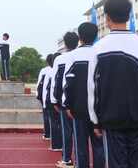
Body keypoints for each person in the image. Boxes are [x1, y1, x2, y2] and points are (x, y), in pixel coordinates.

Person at [89, 0, 138, 168]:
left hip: (111, 118)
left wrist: (95, 120)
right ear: (128, 16)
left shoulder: (98, 47)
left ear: (107, 17)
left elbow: (92, 88)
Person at [63, 22, 104, 168]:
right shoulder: (100, 54)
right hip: (99, 109)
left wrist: (67, 104)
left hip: (79, 108)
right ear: (96, 35)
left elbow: (68, 82)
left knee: (81, 147)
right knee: (99, 146)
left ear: (80, 37)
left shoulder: (72, 56)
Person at [51, 32, 79, 168]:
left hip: (64, 101)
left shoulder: (60, 59)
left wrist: (54, 100)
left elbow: (56, 81)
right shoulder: (83, 55)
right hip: (82, 101)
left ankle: (67, 159)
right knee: (82, 133)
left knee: (67, 132)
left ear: (65, 44)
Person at [44, 52, 62, 151]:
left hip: (52, 101)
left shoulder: (50, 71)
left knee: (54, 124)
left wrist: (50, 102)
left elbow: (47, 89)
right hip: (62, 102)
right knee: (62, 126)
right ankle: (61, 145)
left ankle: (56, 145)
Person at [37, 54, 54, 140]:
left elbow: (39, 84)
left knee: (46, 115)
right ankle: (54, 135)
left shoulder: (44, 70)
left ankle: (47, 134)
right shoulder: (56, 69)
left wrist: (39, 96)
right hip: (54, 97)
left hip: (45, 96)